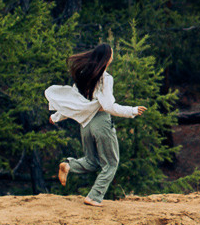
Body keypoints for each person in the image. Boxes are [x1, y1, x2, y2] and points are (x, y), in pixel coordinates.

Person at [44, 43, 144, 205]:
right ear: (107, 57)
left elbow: (76, 103)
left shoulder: (85, 75)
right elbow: (109, 106)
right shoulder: (106, 78)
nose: (113, 55)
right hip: (101, 122)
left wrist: (57, 116)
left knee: (92, 161)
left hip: (86, 124)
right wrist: (131, 110)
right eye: (111, 53)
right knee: (111, 163)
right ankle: (94, 196)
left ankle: (68, 166)